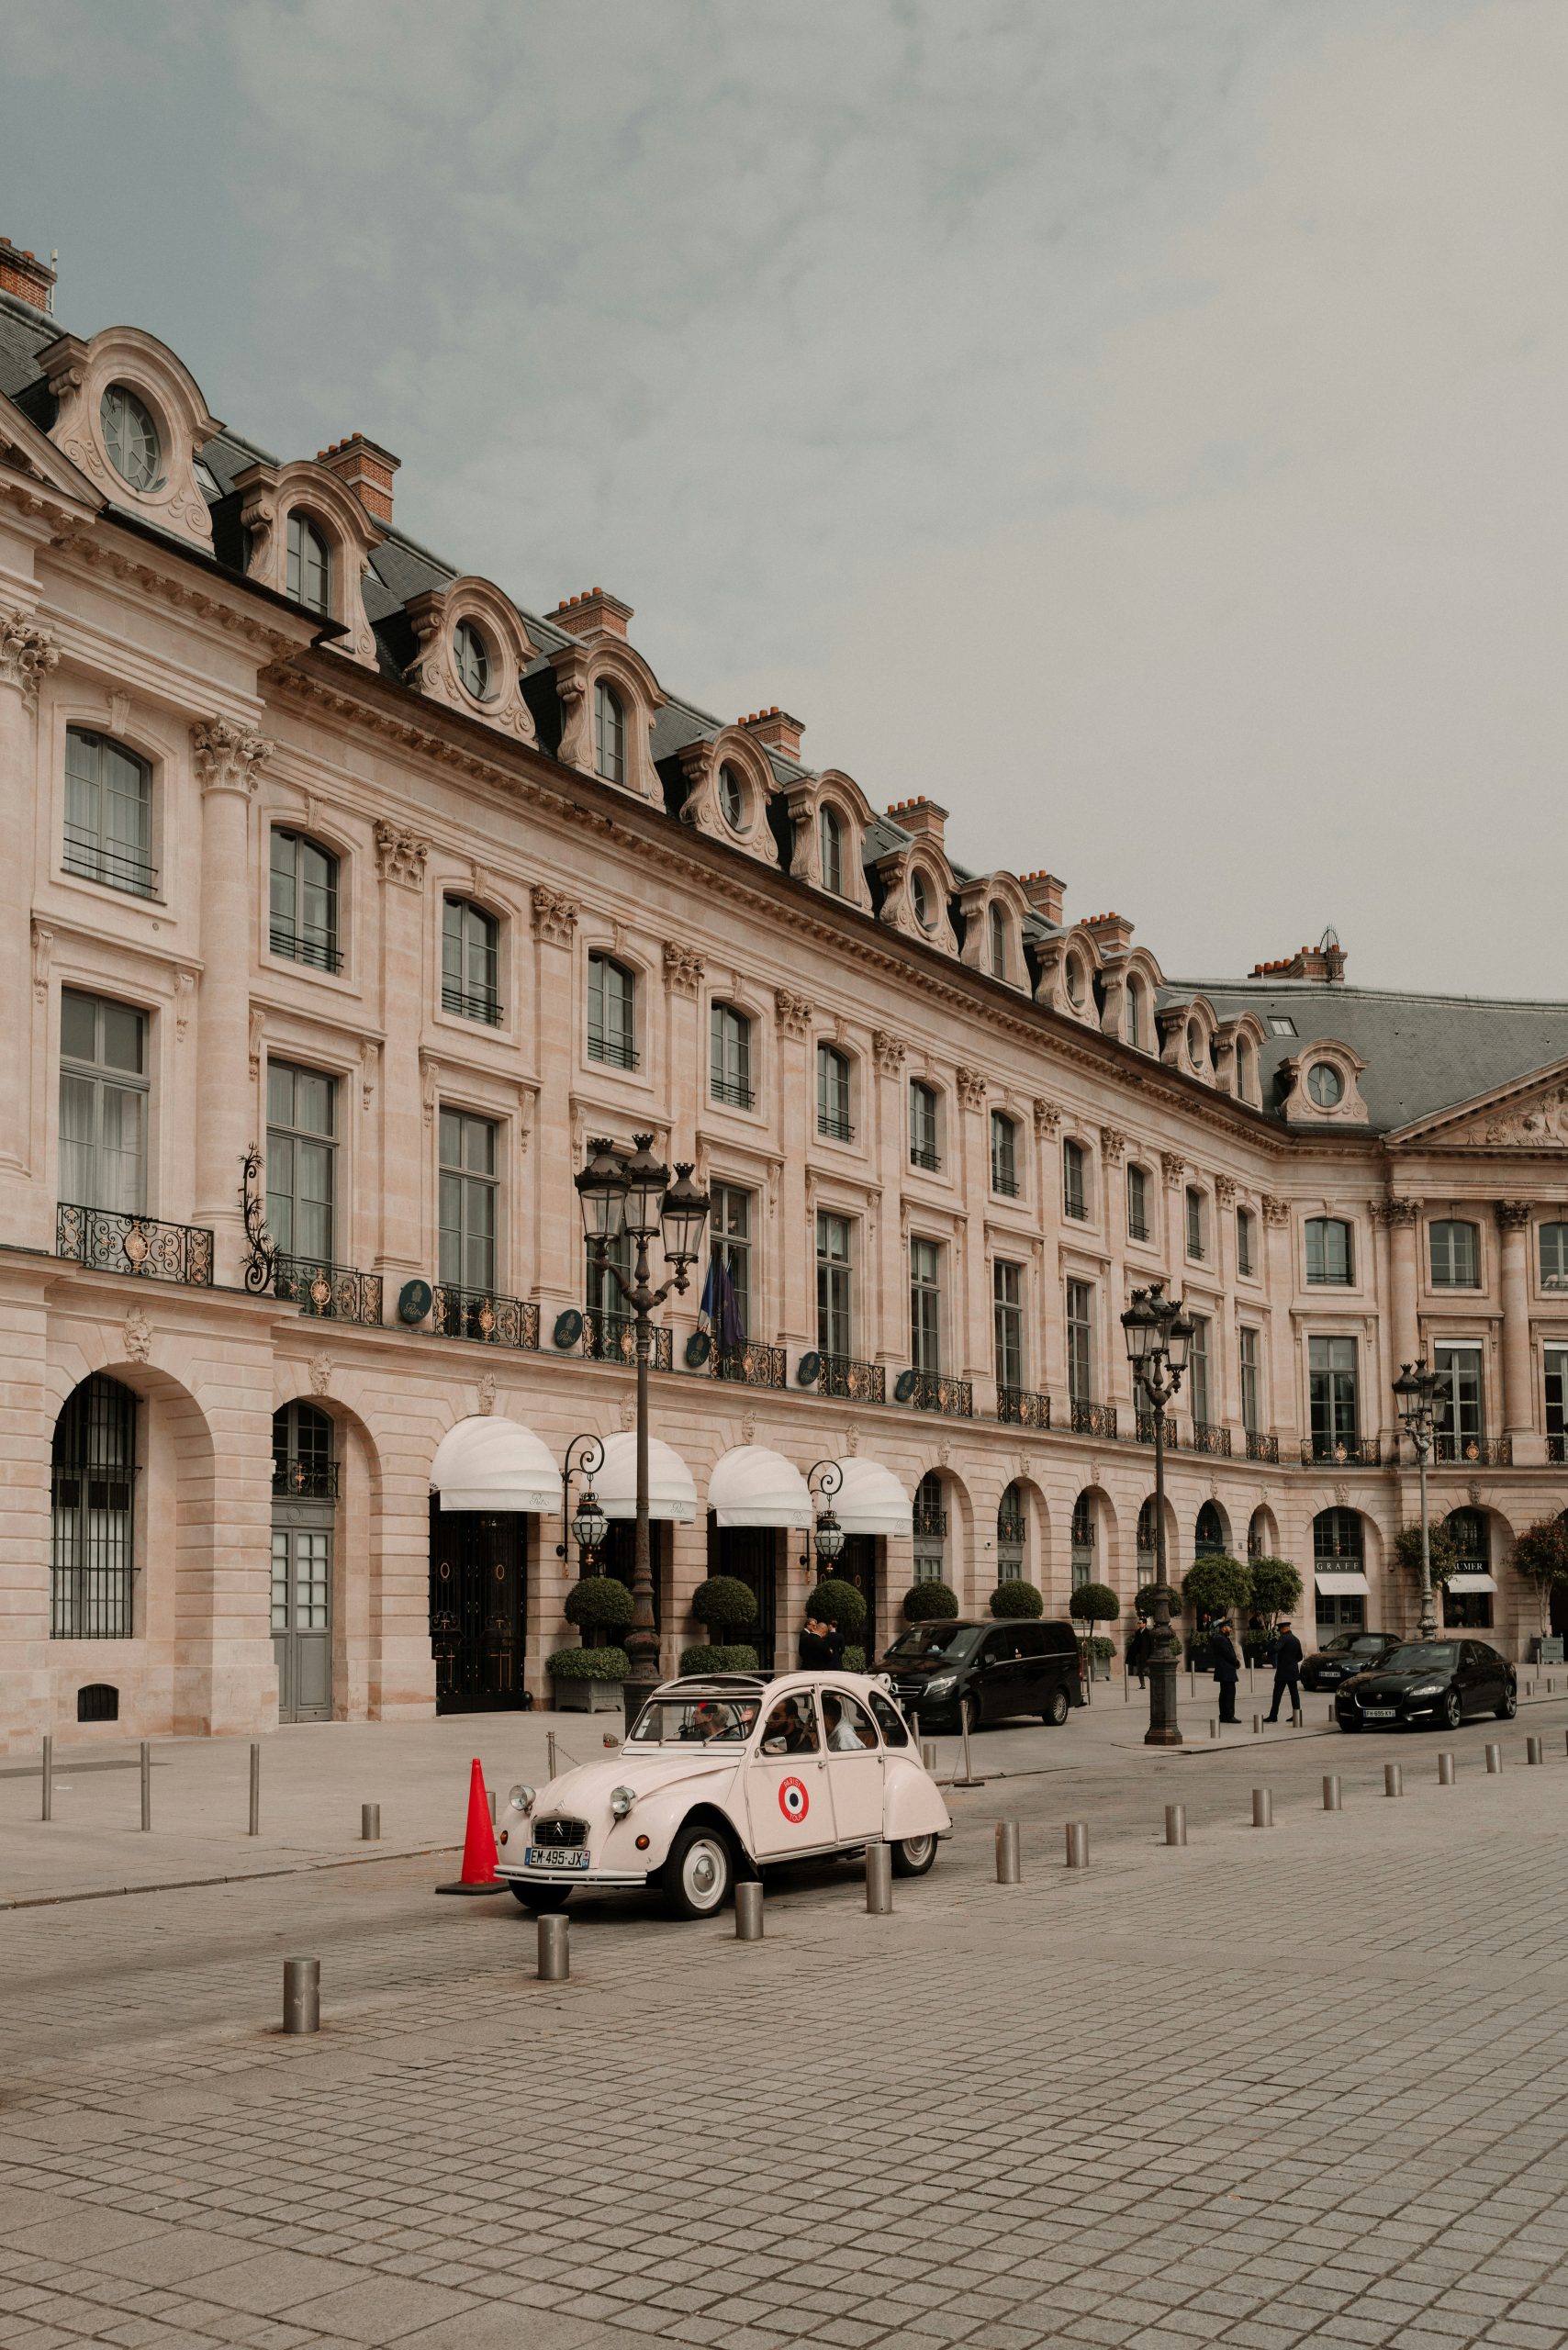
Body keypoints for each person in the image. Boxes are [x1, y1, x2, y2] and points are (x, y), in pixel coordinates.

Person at [1265, 1619, 1305, 1724]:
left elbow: (1276, 1649)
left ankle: (1273, 1716)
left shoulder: (1284, 1638)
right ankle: (1296, 1715)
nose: (1279, 1631)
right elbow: (1300, 1656)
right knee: (1294, 1694)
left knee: (1277, 1694)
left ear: (1284, 1629)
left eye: (1280, 1629)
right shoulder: (1296, 1639)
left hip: (1283, 1671)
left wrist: (1268, 1651)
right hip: (1293, 1671)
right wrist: (1292, 1662)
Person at [1210, 1617, 1240, 1724]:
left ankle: (1224, 1715)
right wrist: (1236, 1662)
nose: (1231, 1629)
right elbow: (1228, 1653)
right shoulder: (1220, 1638)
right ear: (1223, 1628)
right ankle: (1228, 1715)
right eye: (1229, 1627)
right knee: (1229, 1693)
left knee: (1225, 1693)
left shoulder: (1221, 1637)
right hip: (1226, 1669)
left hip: (1225, 1669)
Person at [1126, 1617, 1152, 1690]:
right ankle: (1142, 1685)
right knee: (1140, 1671)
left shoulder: (1148, 1633)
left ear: (1144, 1624)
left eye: (1140, 1623)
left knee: (1146, 1670)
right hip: (1138, 1655)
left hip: (1146, 1655)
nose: (1138, 1624)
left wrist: (1150, 1656)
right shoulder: (1137, 1632)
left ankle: (1154, 1683)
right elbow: (1135, 1643)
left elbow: (1151, 1645)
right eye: (1138, 1623)